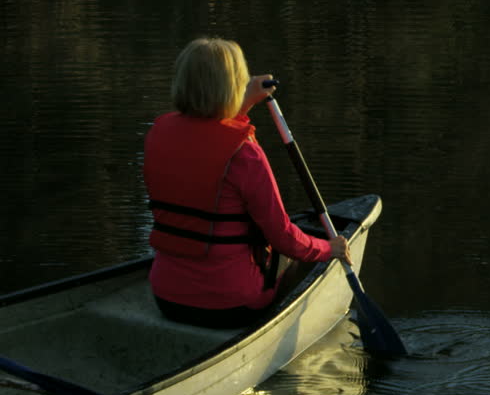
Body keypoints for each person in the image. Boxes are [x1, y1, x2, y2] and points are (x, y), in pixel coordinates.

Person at [143, 37, 351, 328]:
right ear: (232, 87)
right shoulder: (245, 154)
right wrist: (331, 249)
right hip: (232, 304)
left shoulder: (158, 134)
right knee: (291, 254)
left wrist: (243, 104)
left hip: (166, 296)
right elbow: (283, 237)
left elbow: (206, 137)